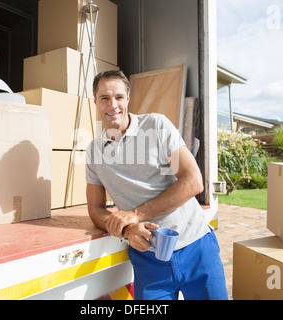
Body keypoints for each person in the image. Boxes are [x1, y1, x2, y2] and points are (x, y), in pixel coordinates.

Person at [85, 70, 228, 300]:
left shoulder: (156, 125)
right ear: (95, 102)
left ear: (128, 99)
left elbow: (193, 181)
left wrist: (135, 214)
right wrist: (127, 228)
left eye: (119, 97)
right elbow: (95, 209)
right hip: (149, 260)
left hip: (196, 246)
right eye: (104, 98)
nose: (113, 105)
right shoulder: (93, 152)